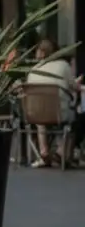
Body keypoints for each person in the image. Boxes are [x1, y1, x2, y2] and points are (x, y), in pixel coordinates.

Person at [25, 38, 77, 166]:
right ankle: (61, 152)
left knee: (41, 122)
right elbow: (73, 86)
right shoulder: (63, 65)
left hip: (36, 114)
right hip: (59, 113)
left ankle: (44, 152)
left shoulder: (34, 68)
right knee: (75, 119)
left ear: (42, 52)